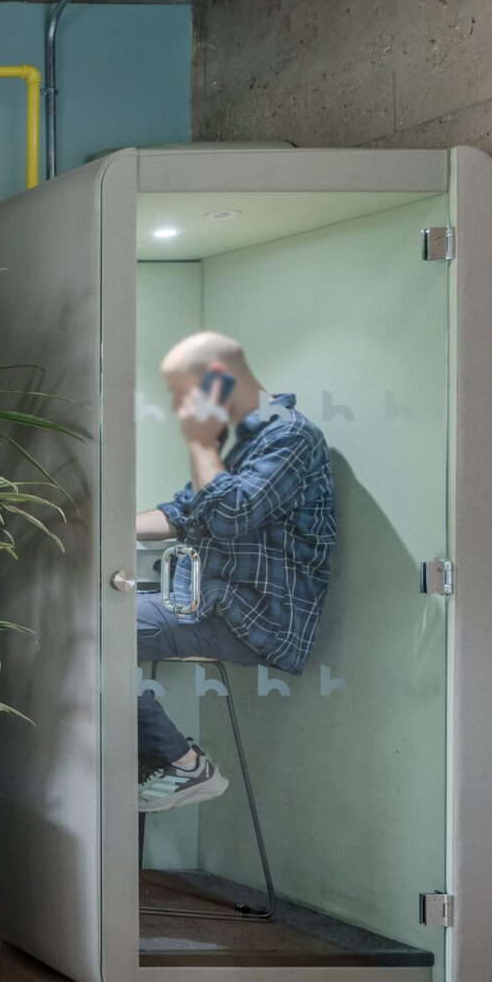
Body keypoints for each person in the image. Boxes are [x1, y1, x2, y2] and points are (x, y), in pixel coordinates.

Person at [134, 332, 335, 813]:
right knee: (93, 624)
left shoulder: (290, 438)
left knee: (100, 633)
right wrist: (96, 531)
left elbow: (230, 516)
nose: (181, 409)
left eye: (185, 394)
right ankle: (155, 760)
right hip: (209, 605)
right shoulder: (244, 445)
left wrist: (200, 442)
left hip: (252, 619)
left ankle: (185, 765)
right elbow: (181, 512)